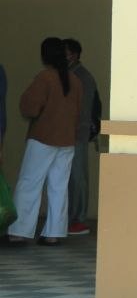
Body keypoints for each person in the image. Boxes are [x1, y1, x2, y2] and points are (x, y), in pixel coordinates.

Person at [8, 37, 83, 245]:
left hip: (42, 138)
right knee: (59, 186)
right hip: (67, 140)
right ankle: (54, 233)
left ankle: (20, 231)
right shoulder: (74, 80)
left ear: (45, 56)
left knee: (29, 183)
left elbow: (29, 108)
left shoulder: (45, 78)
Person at [63, 38, 99, 236]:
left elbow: (83, 110)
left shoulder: (83, 77)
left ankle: (78, 219)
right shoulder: (67, 75)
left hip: (77, 133)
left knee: (78, 177)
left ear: (75, 55)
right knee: (67, 178)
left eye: (65, 52)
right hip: (66, 134)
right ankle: (68, 218)